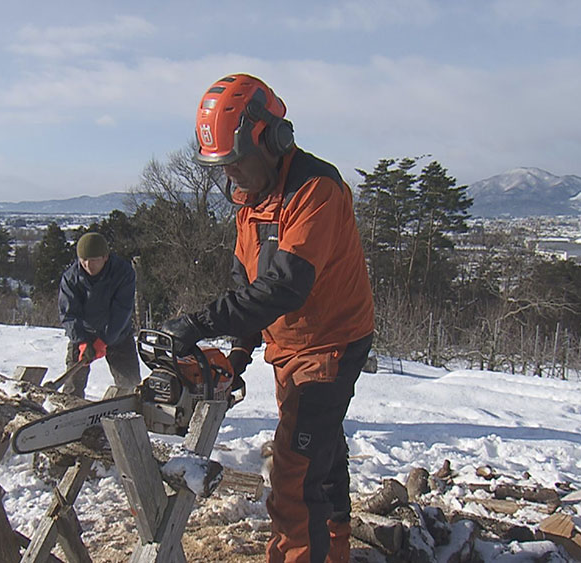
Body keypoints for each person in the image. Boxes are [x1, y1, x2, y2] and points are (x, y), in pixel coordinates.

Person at [161, 74, 374, 563]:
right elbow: (250, 291)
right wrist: (236, 354)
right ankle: (333, 547)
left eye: (236, 161)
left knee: (295, 478)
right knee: (320, 451)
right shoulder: (249, 203)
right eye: (222, 165)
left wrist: (198, 323)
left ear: (273, 139)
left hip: (329, 343)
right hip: (289, 345)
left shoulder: (315, 189)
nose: (230, 174)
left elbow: (283, 286)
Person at [58, 232, 140, 398]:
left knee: (131, 387)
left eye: (94, 260)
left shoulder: (123, 273)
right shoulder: (71, 278)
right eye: (84, 260)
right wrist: (81, 341)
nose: (88, 265)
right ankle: (68, 416)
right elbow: (69, 314)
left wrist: (104, 340)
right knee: (72, 389)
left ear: (105, 257)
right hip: (83, 334)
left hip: (117, 334)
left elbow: (122, 310)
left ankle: (130, 417)